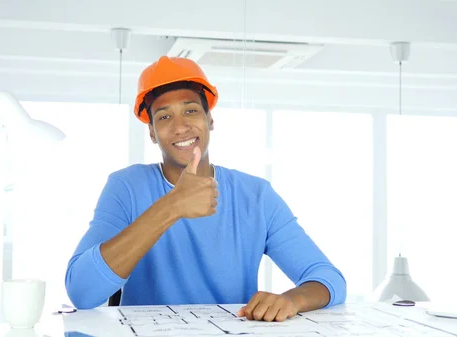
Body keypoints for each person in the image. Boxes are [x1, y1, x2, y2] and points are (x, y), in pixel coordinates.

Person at [65, 56, 346, 322]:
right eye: (164, 117)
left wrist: (292, 300)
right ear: (151, 132)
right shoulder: (126, 187)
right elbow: (82, 290)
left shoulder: (256, 196)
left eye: (191, 110)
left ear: (209, 120)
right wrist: (172, 205)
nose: (181, 126)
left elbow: (328, 279)